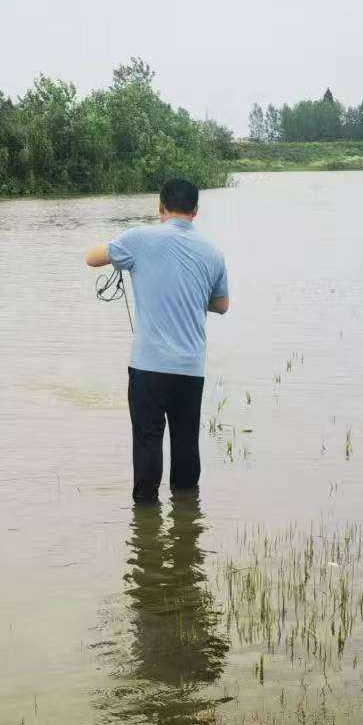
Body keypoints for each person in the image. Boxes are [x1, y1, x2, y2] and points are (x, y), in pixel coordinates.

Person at [84, 178, 229, 503]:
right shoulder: (213, 252)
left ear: (160, 207)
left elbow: (91, 258)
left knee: (148, 440)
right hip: (191, 368)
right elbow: (221, 305)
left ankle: (146, 516)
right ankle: (187, 509)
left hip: (148, 367)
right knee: (186, 441)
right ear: (195, 210)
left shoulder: (138, 238)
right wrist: (189, 293)